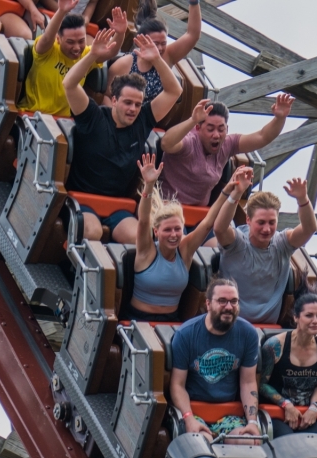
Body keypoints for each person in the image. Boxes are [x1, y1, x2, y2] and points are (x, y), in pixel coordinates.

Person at [63, 29, 181, 241]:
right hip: (83, 200)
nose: (133, 109)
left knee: (139, 238)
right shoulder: (93, 116)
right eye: (127, 103)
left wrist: (157, 60)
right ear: (114, 100)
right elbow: (69, 84)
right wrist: (91, 55)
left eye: (137, 104)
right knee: (93, 232)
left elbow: (174, 91)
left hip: (117, 206)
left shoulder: (142, 121)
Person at [128, 156, 254, 321]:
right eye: (167, 230)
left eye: (177, 229)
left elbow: (207, 223)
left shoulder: (185, 250)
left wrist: (228, 192)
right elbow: (144, 220)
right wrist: (149, 185)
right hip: (139, 318)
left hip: (171, 320)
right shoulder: (147, 250)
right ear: (156, 232)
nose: (173, 235)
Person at [212, 177, 317, 325]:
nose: (267, 229)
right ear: (248, 220)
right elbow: (219, 228)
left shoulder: (281, 244)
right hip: (232, 324)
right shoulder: (237, 242)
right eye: (261, 223)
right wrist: (235, 194)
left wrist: (303, 199)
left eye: (272, 222)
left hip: (268, 328)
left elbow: (309, 229)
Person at [159, 95, 294, 206]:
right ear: (198, 129)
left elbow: (262, 137)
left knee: (225, 235)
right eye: (210, 129)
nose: (216, 135)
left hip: (201, 215)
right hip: (169, 208)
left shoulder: (227, 144)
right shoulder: (190, 142)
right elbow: (166, 144)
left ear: (227, 129)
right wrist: (193, 119)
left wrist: (280, 118)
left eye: (221, 129)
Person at [169, 278, 261, 441]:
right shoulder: (186, 334)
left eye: (234, 301)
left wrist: (252, 422)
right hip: (194, 411)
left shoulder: (248, 334)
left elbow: (248, 382)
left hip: (228, 414)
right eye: (222, 301)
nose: (228, 307)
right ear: (208, 304)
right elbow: (177, 384)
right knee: (202, 443)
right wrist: (188, 418)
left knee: (248, 442)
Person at [18, 0, 126, 116]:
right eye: (70, 42)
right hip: (33, 115)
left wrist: (120, 33)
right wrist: (61, 11)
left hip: (64, 122)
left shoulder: (87, 54)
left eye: (81, 41)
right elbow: (47, 38)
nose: (76, 48)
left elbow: (110, 52)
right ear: (58, 39)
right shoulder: (47, 50)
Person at [259, 293, 317, 438]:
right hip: (276, 412)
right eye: (309, 315)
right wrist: (286, 404)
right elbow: (261, 384)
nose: (315, 321)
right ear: (296, 317)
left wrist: (314, 408)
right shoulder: (274, 345)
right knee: (289, 443)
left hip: (308, 413)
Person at [107, 0, 201, 101]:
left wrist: (194, 3)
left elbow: (192, 35)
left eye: (163, 43)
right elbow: (107, 96)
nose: (160, 48)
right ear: (141, 41)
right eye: (155, 44)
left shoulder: (167, 55)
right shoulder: (125, 64)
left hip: (154, 113)